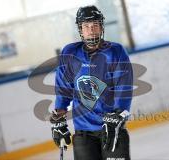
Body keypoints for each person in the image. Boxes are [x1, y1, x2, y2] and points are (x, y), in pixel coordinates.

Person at [50, 5, 133, 160]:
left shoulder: (115, 51)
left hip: (112, 128)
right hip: (83, 133)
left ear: (102, 27)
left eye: (95, 25)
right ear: (80, 29)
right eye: (86, 26)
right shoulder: (70, 53)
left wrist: (118, 116)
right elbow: (63, 90)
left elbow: (124, 89)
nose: (91, 30)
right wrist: (58, 118)